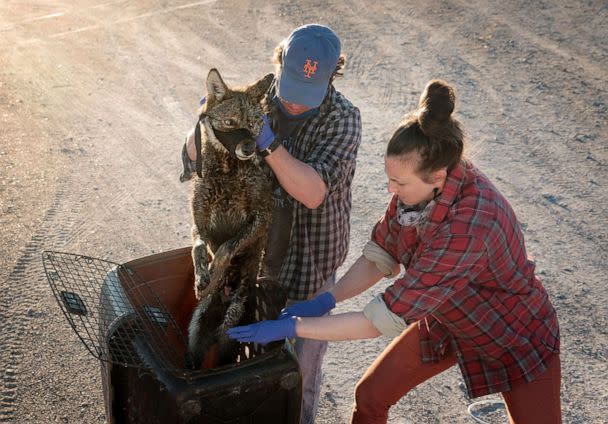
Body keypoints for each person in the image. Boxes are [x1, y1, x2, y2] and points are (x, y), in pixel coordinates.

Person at [228, 80, 562, 424]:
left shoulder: (471, 225)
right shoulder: (418, 189)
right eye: (390, 179)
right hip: (446, 315)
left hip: (511, 333)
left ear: (438, 176)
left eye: (399, 184)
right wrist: (329, 298)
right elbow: (381, 255)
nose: (391, 190)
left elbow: (377, 321)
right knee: (370, 396)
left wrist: (297, 327)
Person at [183, 24, 362, 424]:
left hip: (309, 263)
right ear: (279, 65)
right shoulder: (256, 100)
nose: (295, 104)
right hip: (256, 255)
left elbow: (312, 192)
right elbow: (197, 159)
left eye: (307, 95)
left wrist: (268, 142)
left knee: (298, 374)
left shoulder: (344, 120)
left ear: (332, 77)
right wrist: (205, 125)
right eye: (290, 88)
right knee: (246, 359)